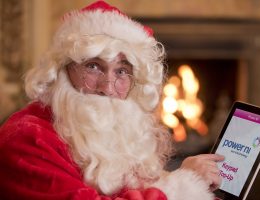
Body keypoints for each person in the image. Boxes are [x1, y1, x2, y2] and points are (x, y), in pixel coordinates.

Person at [0, 1, 224, 199]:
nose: (107, 88)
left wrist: (195, 185)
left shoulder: (112, 132)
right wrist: (183, 185)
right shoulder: (26, 137)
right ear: (63, 69)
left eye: (121, 71)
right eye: (93, 66)